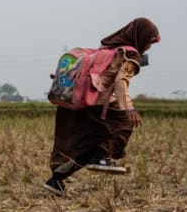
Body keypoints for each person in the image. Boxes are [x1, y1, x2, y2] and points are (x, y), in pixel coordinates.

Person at [43, 18, 160, 196]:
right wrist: (128, 109)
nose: (149, 47)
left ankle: (56, 179)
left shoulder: (108, 50)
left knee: (85, 145)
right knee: (123, 125)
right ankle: (100, 158)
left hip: (74, 100)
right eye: (150, 42)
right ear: (141, 37)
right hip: (96, 102)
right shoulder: (131, 54)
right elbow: (121, 81)